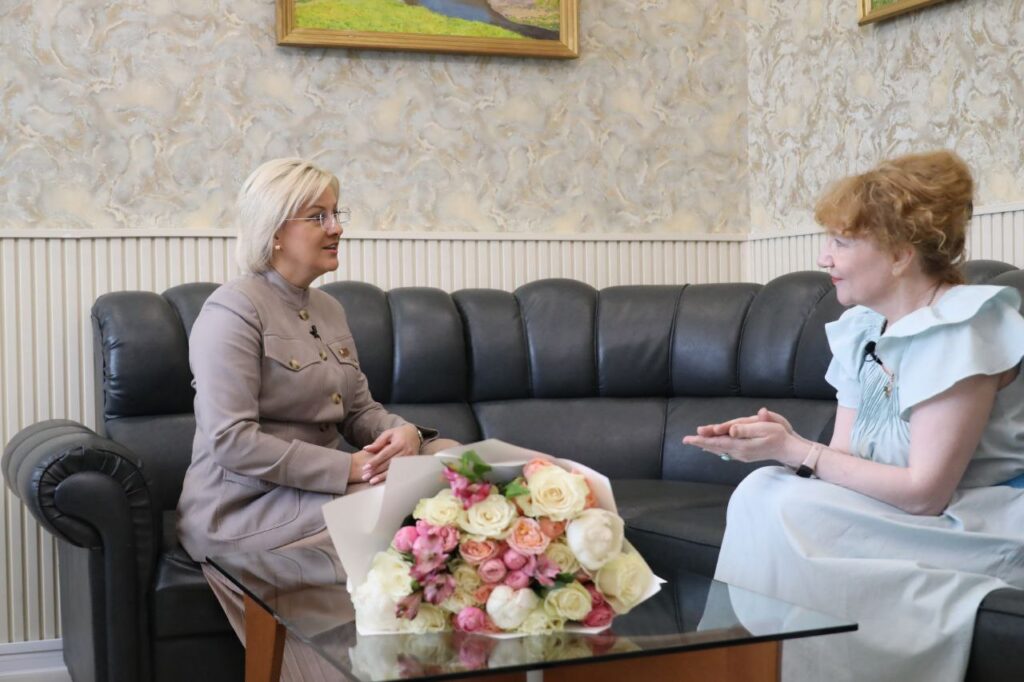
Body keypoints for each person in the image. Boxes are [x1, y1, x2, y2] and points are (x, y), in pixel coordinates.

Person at [684, 150, 1024, 682]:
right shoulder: (863, 328)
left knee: (781, 501)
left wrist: (799, 451)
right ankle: (750, 665)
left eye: (842, 242)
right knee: (762, 488)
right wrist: (779, 444)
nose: (825, 257)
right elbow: (842, 462)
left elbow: (925, 494)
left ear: (900, 255)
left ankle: (766, 666)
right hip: (903, 516)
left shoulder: (963, 327)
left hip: (971, 521)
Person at [177, 157, 457, 680]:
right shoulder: (231, 311)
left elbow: (359, 411)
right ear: (274, 231)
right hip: (244, 507)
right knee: (409, 498)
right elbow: (230, 440)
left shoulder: (329, 309)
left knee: (452, 461)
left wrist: (404, 434)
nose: (337, 228)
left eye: (336, 213)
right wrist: (349, 470)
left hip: (315, 493)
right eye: (318, 216)